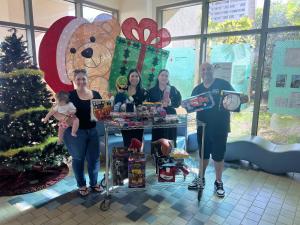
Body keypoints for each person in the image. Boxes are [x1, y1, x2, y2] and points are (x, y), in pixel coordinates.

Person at [188, 62, 248, 198]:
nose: (206, 72)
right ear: (200, 72)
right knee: (203, 154)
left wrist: (241, 99)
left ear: (212, 70)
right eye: (203, 69)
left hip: (220, 127)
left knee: (218, 155)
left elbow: (237, 98)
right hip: (202, 127)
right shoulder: (197, 89)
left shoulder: (223, 84)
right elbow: (191, 105)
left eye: (208, 69)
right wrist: (185, 105)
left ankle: (218, 182)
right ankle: (200, 179)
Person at [63, 69, 102, 196]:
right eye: (78, 79)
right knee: (78, 159)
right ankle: (81, 185)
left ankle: (94, 183)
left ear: (87, 79)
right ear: (74, 80)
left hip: (93, 131)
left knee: (94, 159)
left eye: (83, 78)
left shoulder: (96, 94)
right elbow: (62, 114)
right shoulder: (70, 95)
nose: (81, 81)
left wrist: (106, 113)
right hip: (76, 132)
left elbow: (101, 115)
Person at [148, 69, 182, 151]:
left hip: (171, 119)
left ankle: (171, 158)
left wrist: (170, 102)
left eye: (166, 76)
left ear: (168, 78)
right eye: (162, 75)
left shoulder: (173, 89)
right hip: (157, 119)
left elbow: (178, 102)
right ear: (158, 77)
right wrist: (152, 108)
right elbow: (148, 105)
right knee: (157, 139)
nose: (164, 77)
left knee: (171, 140)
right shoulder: (152, 91)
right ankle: (156, 158)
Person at [114, 69, 148, 147]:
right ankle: (127, 159)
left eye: (137, 76)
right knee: (127, 146)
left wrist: (142, 109)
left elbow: (146, 107)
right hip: (125, 124)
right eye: (132, 76)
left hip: (139, 124)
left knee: (137, 146)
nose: (134, 78)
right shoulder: (123, 90)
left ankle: (137, 158)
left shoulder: (143, 92)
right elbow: (116, 105)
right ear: (128, 78)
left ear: (139, 78)